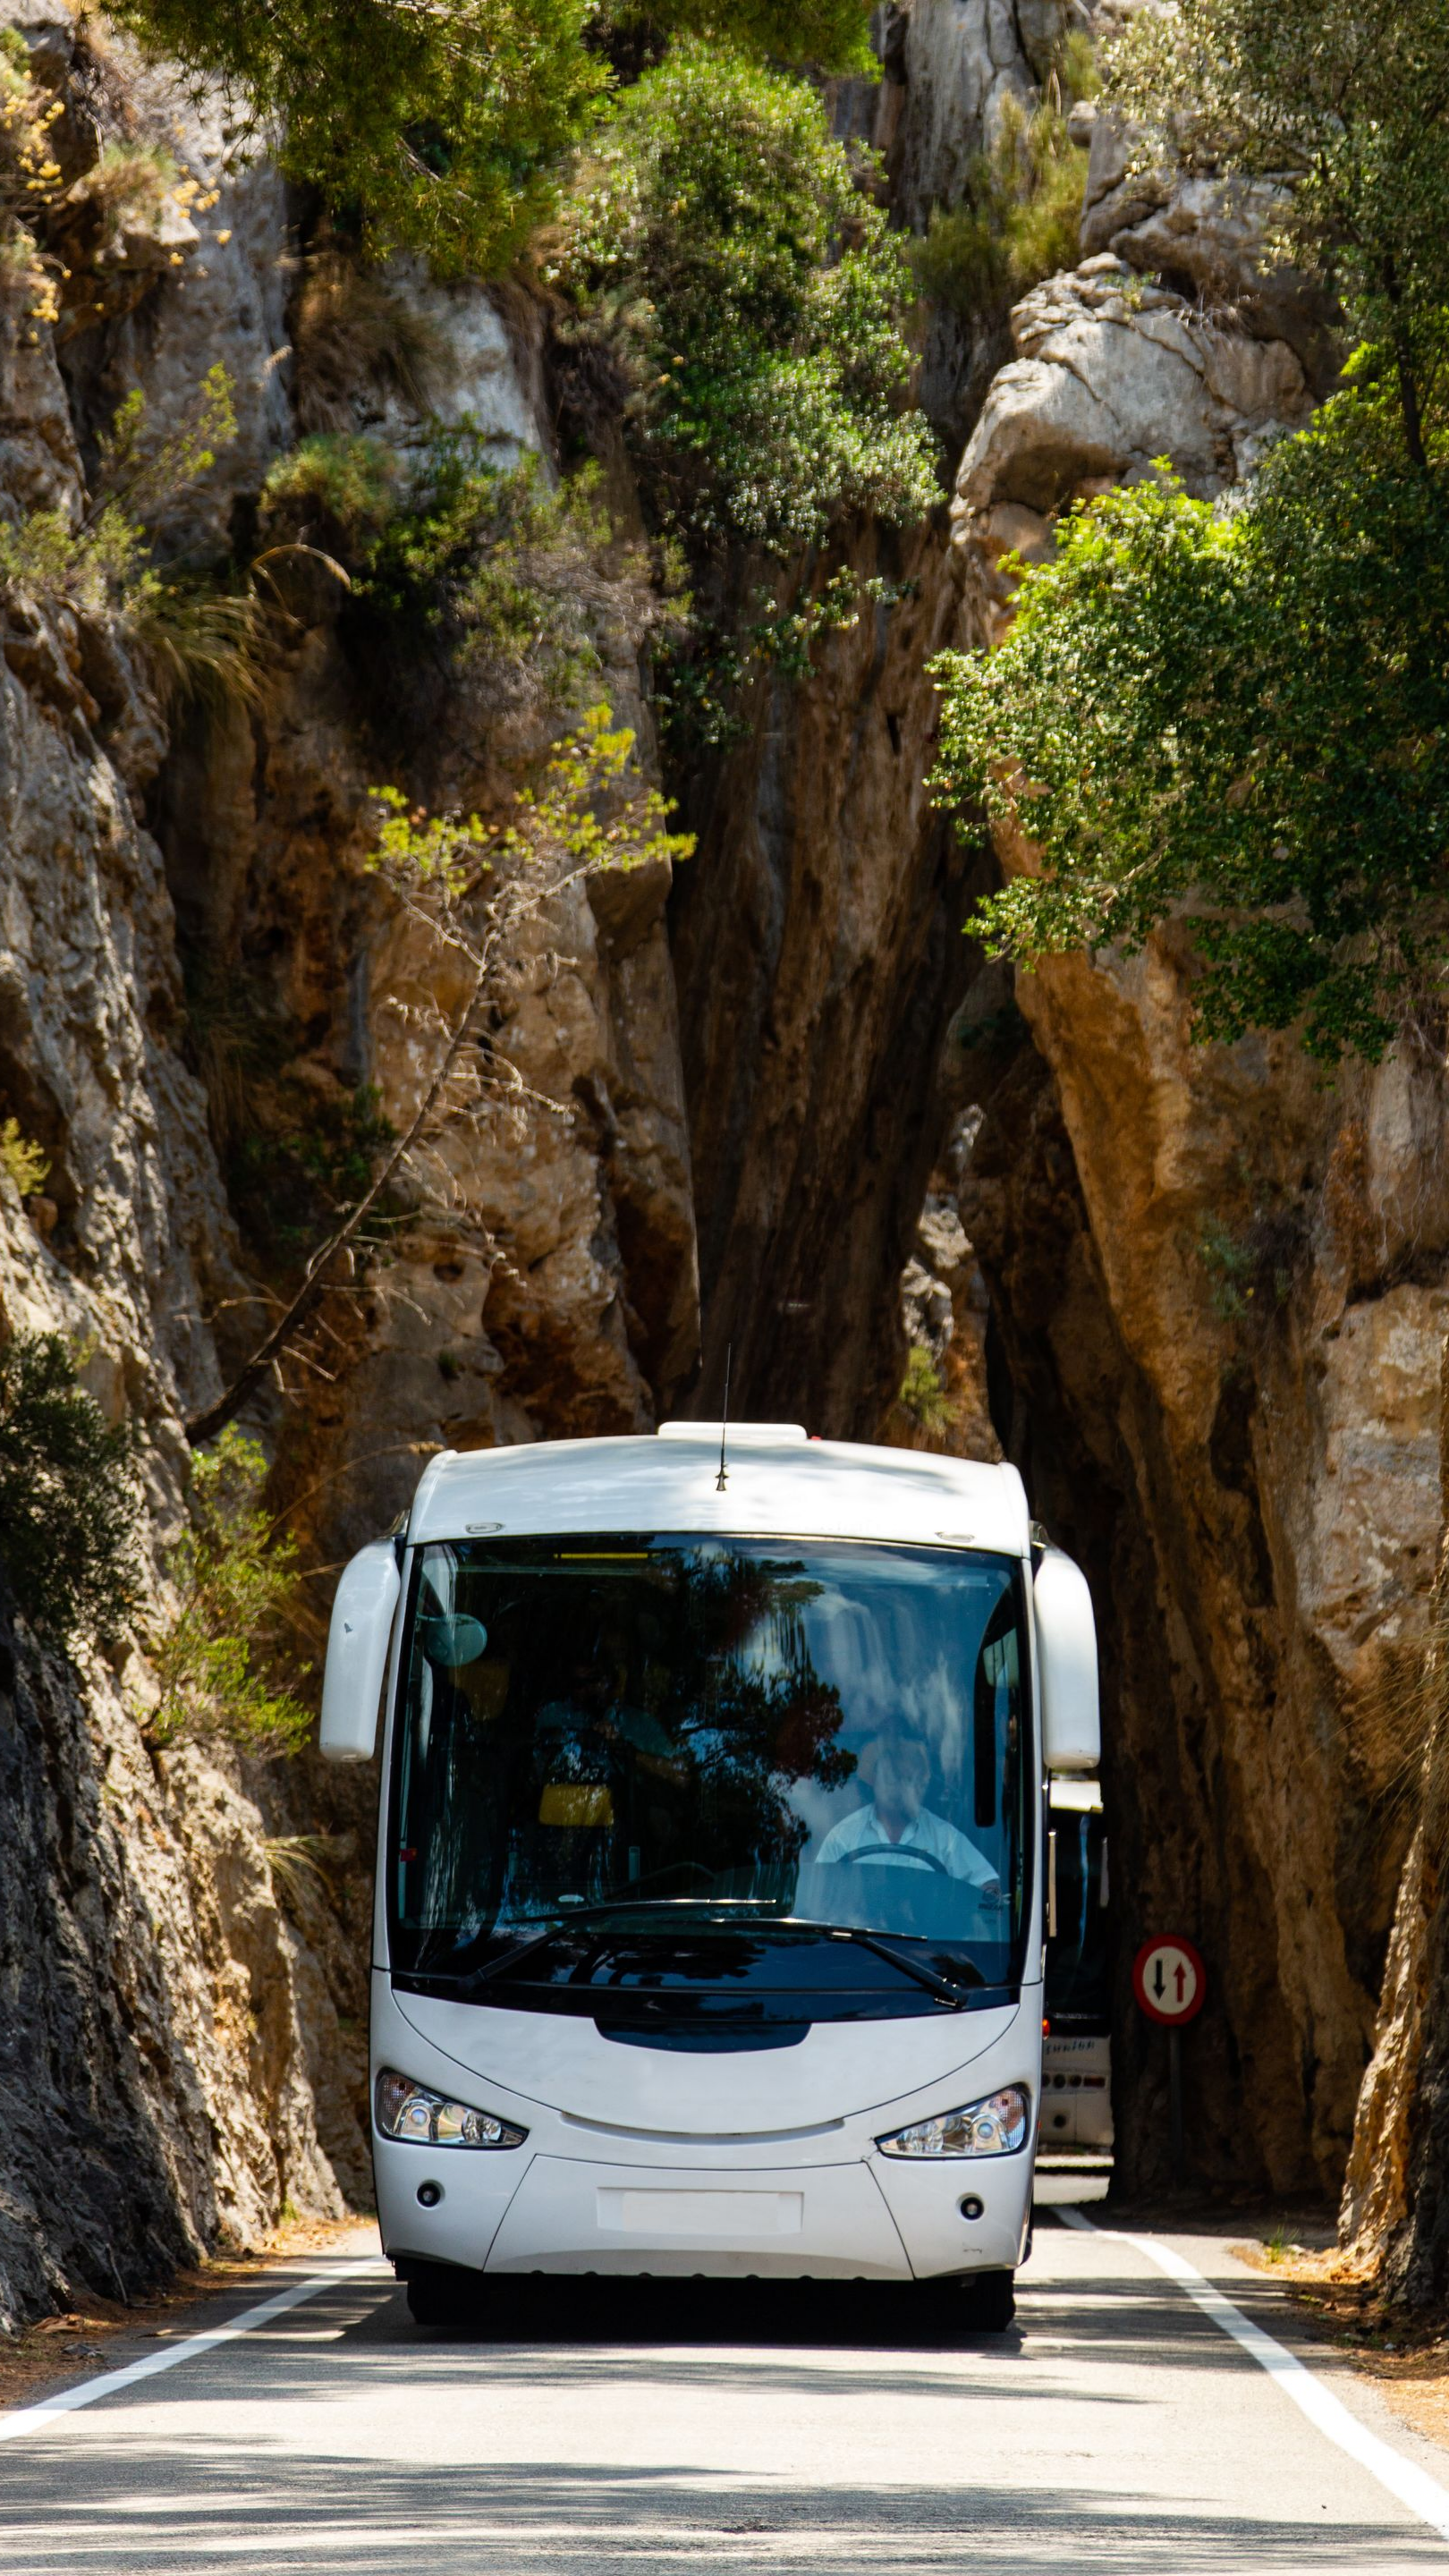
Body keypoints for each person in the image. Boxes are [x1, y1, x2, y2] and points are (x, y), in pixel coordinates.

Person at [817, 1729, 1000, 1892]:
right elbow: (818, 1898)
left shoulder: (945, 1839)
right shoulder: (843, 1838)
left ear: (920, 1783)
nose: (898, 1786)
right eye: (892, 1775)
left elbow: (989, 1888)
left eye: (907, 1778)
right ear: (874, 1780)